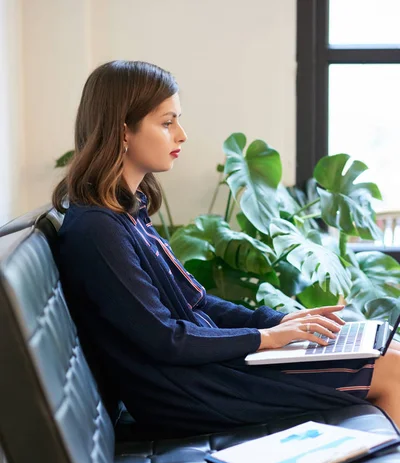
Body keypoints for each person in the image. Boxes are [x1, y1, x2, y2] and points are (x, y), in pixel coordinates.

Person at [53, 60, 400, 437]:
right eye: (167, 123)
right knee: (392, 370)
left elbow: (197, 303)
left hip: (210, 370)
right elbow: (165, 338)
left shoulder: (127, 212)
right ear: (123, 130)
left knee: (390, 349)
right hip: (193, 390)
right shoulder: (97, 229)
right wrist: (265, 339)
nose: (181, 135)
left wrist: (277, 322)